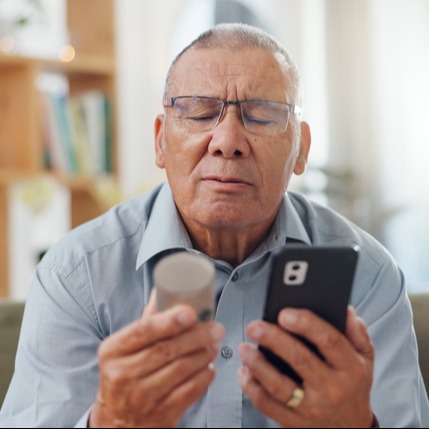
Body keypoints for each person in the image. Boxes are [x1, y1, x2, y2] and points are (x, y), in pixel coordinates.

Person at [0, 23, 428, 428]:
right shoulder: (77, 274)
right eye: (199, 111)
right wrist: (110, 421)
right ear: (160, 141)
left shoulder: (367, 277)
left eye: (261, 114)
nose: (227, 141)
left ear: (301, 149)